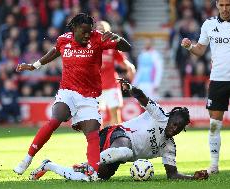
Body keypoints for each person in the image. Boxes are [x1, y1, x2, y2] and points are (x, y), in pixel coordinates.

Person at [13, 13, 131, 179]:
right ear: (74, 29)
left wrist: (118, 38)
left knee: (93, 134)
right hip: (67, 91)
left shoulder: (97, 38)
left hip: (89, 97)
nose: (87, 35)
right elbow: (54, 52)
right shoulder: (64, 39)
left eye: (89, 31)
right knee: (55, 119)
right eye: (83, 31)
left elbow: (128, 48)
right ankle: (27, 158)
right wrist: (34, 66)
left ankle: (92, 170)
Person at [28, 79, 209, 181]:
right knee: (124, 149)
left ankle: (49, 165)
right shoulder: (160, 115)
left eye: (178, 128)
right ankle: (89, 163)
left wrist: (193, 178)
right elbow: (143, 97)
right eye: (174, 123)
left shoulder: (169, 147)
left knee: (91, 179)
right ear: (170, 118)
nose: (173, 128)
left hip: (117, 156)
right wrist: (130, 88)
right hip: (115, 134)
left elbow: (172, 174)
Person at [181, 0, 230, 174]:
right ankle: (214, 165)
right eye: (221, 5)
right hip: (217, 80)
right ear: (217, 5)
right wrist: (190, 46)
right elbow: (200, 50)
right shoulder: (209, 24)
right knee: (214, 125)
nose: (225, 8)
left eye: (228, 5)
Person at [96, 21, 135, 126]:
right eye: (98, 27)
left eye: (103, 27)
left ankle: (115, 138)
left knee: (115, 114)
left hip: (111, 84)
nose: (100, 28)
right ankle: (99, 140)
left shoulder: (112, 45)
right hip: (95, 86)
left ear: (108, 31)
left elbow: (121, 61)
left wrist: (129, 67)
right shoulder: (90, 46)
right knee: (96, 116)